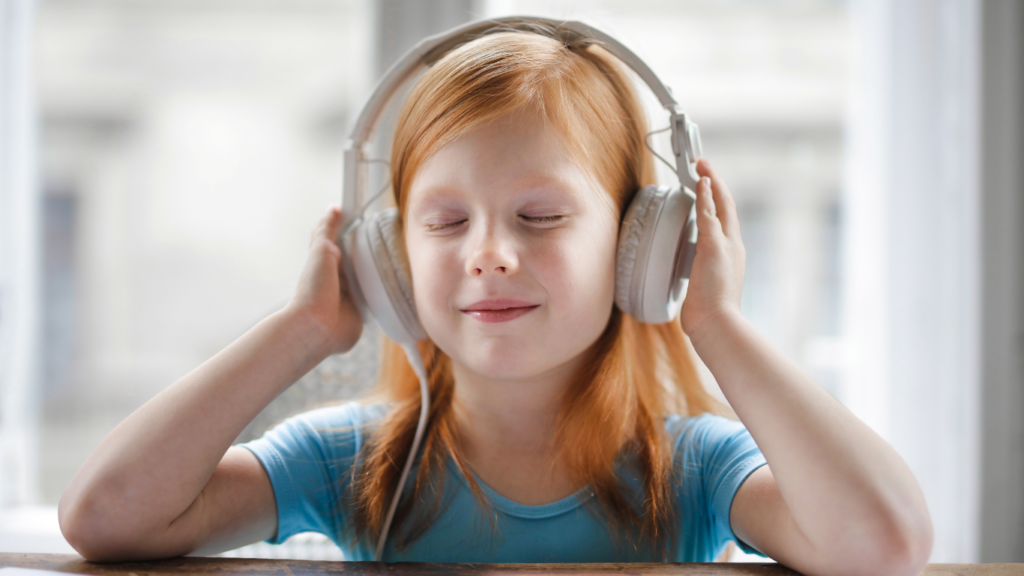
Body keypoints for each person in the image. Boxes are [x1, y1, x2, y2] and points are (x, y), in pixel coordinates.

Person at [58, 26, 933, 575]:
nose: (488, 255)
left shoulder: (694, 469)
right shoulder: (355, 463)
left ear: (644, 247)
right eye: (445, 222)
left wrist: (717, 323)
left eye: (541, 216)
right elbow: (103, 518)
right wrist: (301, 332)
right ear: (387, 260)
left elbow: (884, 545)